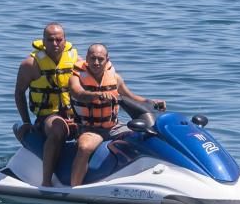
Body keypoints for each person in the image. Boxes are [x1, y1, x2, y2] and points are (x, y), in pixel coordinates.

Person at [67, 43, 166, 187]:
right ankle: (74, 188)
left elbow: (131, 97)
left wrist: (153, 103)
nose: (96, 62)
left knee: (148, 136)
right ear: (87, 58)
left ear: (107, 59)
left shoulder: (115, 78)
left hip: (114, 127)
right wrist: (98, 95)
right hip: (90, 129)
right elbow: (79, 94)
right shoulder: (76, 78)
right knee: (85, 147)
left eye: (100, 59)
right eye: (92, 58)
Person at [14, 23, 78, 187]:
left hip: (74, 114)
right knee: (57, 130)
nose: (55, 44)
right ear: (43, 41)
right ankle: (46, 181)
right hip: (48, 116)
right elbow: (19, 93)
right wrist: (26, 122)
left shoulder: (75, 61)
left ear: (65, 40)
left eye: (59, 40)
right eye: (50, 40)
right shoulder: (30, 65)